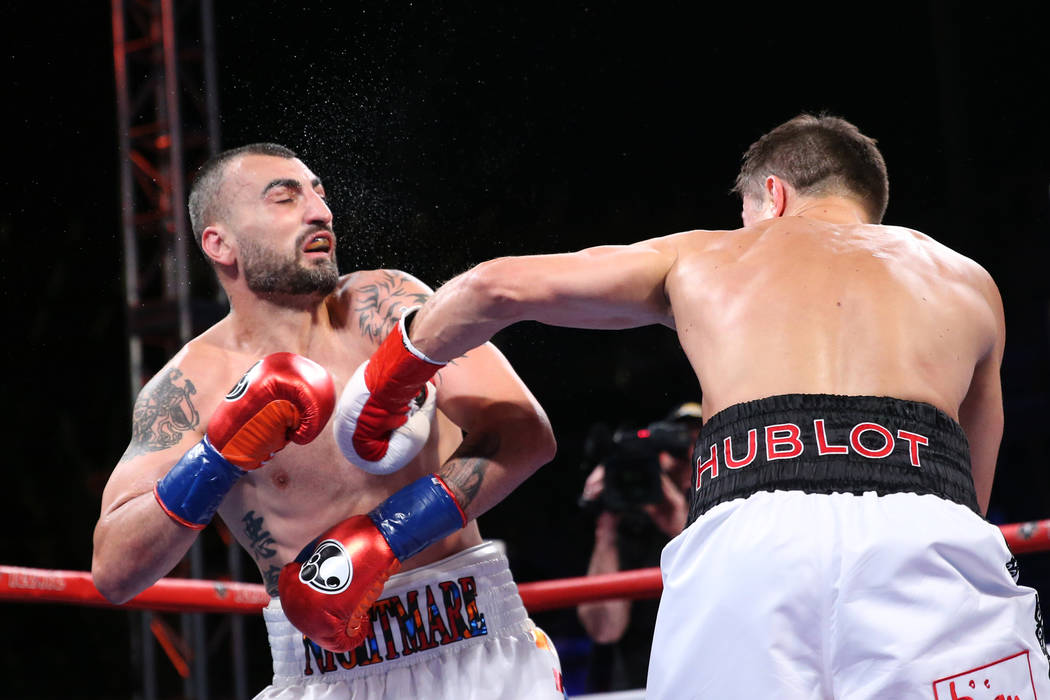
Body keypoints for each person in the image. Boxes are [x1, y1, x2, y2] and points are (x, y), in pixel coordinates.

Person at [339, 114, 1050, 698]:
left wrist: (384, 387)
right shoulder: (967, 282)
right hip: (925, 533)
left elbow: (494, 286)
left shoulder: (706, 256)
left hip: (749, 548)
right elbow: (971, 495)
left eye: (745, 215)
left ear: (772, 195)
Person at [90, 143, 566, 699]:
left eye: (319, 194)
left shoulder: (388, 306)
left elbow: (526, 434)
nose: (320, 212)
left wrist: (388, 536)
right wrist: (216, 458)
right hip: (323, 673)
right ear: (220, 243)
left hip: (473, 642)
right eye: (285, 198)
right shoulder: (191, 387)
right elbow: (114, 572)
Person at [576, 402, 700, 692]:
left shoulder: (719, 515)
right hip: (628, 684)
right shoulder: (622, 520)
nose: (687, 456)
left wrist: (680, 527)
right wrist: (606, 527)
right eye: (677, 447)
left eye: (697, 445)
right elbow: (605, 629)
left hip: (696, 677)